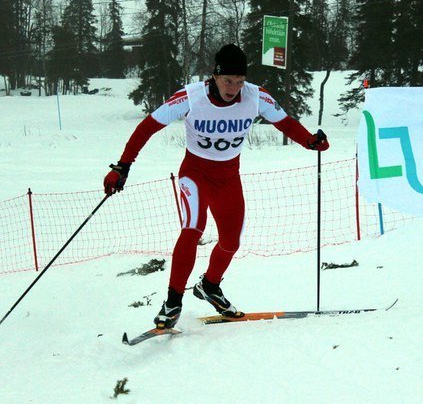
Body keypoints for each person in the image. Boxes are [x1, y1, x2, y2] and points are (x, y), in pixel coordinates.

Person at [103, 44, 329, 329]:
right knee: (192, 228)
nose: (233, 88)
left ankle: (210, 285)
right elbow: (148, 126)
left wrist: (310, 141)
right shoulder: (191, 96)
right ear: (214, 76)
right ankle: (173, 300)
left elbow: (285, 123)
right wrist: (122, 165)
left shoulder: (256, 96)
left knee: (231, 241)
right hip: (195, 174)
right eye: (227, 81)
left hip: (228, 178)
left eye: (239, 81)